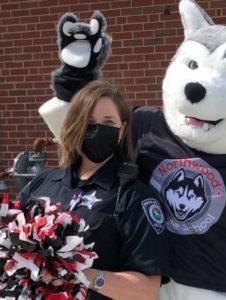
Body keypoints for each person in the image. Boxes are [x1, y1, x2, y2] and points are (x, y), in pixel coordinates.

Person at [18, 80, 170, 300]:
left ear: (122, 129)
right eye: (89, 121)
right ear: (75, 124)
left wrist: (79, 273)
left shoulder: (133, 196)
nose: (98, 128)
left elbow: (145, 290)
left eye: (109, 122)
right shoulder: (44, 181)